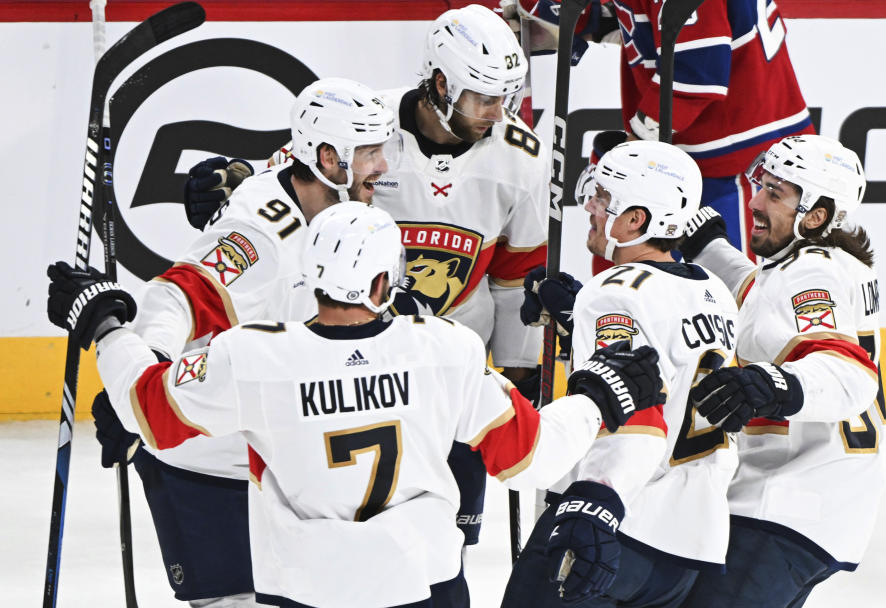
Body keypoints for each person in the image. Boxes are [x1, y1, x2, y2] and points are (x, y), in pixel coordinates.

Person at [47, 202, 666, 608]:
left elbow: (148, 408)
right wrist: (595, 398)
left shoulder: (254, 357)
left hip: (305, 589)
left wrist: (104, 322)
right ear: (380, 283)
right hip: (423, 584)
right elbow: (530, 458)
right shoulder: (444, 349)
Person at [184, 3, 549, 548]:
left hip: (449, 367)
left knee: (444, 548)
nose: (499, 113)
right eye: (485, 97)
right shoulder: (365, 120)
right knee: (344, 535)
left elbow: (517, 276)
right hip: (354, 367)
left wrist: (522, 370)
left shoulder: (523, 157)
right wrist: (238, 180)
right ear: (441, 84)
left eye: (507, 97)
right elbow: (297, 178)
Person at [87, 77, 400, 607]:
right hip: (208, 465)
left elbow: (276, 158)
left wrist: (236, 169)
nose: (384, 167)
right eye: (370, 152)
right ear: (328, 158)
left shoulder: (319, 184)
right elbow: (176, 297)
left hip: (277, 465)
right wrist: (142, 375)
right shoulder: (259, 237)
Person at [502, 140, 741, 607]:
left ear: (637, 220)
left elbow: (628, 405)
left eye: (605, 199)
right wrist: (576, 320)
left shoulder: (612, 291)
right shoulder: (713, 291)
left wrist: (593, 505)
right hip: (689, 544)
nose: (591, 206)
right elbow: (658, 365)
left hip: (613, 523)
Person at [677, 134, 886, 607]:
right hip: (817, 498)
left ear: (815, 215)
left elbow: (847, 374)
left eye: (776, 193)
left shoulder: (810, 274)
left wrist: (775, 382)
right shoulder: (830, 265)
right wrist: (710, 247)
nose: (754, 200)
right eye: (762, 185)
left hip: (791, 498)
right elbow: (763, 297)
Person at [505, 0, 815, 269]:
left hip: (741, 163)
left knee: (733, 303)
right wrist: (576, 20)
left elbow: (696, 72)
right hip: (717, 151)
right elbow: (649, 23)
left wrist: (635, 145)